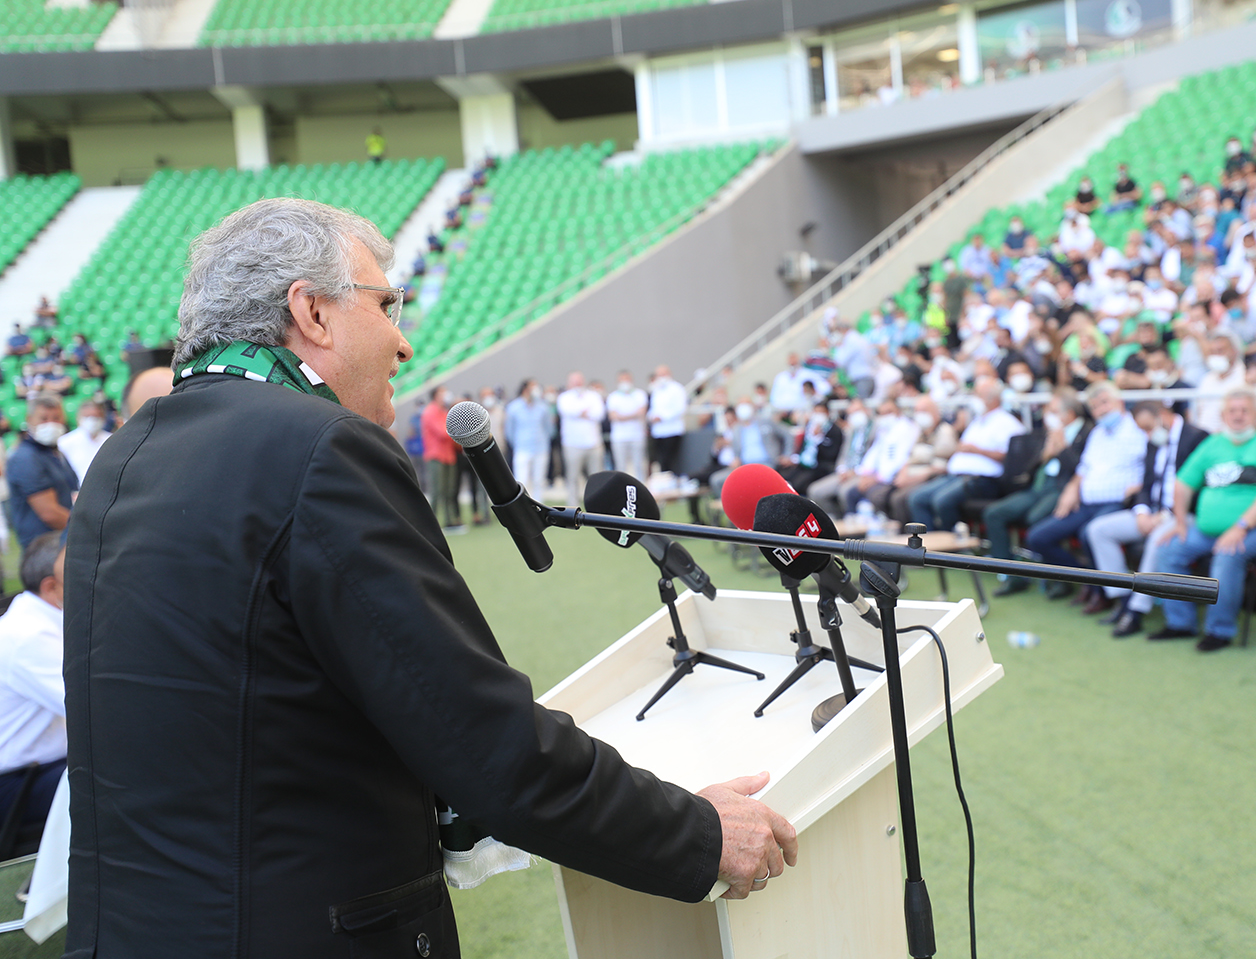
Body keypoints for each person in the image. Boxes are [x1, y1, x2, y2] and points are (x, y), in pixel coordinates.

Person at [64, 198, 796, 956]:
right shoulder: (320, 450)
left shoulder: (125, 458)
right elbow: (484, 743)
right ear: (312, 311)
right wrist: (696, 834)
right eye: (387, 304)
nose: (403, 342)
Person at [1155, 389, 1256, 651]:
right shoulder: (1214, 443)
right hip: (1214, 529)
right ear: (1223, 415)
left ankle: (1220, 630)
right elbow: (1182, 483)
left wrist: (1240, 527)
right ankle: (1180, 624)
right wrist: (1180, 523)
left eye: (1245, 410)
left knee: (1228, 553)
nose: (1238, 416)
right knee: (1169, 548)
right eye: (1232, 411)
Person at [1087, 402, 1209, 635]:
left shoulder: (1197, 437)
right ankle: (1122, 598)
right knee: (1098, 530)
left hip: (1183, 515)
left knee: (1157, 541)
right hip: (1152, 511)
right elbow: (1146, 483)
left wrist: (1164, 516)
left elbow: (1199, 488)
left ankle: (1136, 611)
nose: (1147, 434)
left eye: (1148, 427)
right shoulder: (1155, 439)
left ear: (1163, 415)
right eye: (1142, 429)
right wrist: (1142, 512)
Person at [1026, 382, 1147, 609]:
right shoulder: (1097, 433)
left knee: (1088, 534)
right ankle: (1088, 580)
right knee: (1038, 537)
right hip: (1086, 501)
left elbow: (1151, 467)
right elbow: (1083, 469)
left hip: (1119, 502)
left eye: (1104, 403)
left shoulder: (1138, 429)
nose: (1100, 410)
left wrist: (1140, 488)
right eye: (1094, 406)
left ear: (1119, 401)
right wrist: (1071, 490)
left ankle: (1107, 595)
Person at [985, 388, 1091, 596]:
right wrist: (1046, 454)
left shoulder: (1087, 432)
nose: (1047, 415)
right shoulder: (1050, 433)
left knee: (1036, 519)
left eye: (1052, 410)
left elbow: (1081, 469)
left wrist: (1062, 449)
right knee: (994, 513)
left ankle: (1061, 578)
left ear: (1069, 413)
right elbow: (1031, 469)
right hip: (1038, 488)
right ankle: (1011, 576)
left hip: (1062, 490)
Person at [0, 533, 67, 834]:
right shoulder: (30, 635)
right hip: (18, 783)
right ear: (51, 586)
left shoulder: (39, 621)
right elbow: (95, 708)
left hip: (40, 770)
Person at [907, 377, 1023, 532]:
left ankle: (949, 551)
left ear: (992, 399)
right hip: (956, 475)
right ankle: (927, 546)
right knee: (917, 498)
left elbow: (1010, 455)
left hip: (982, 480)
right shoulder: (978, 421)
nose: (975, 399)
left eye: (978, 395)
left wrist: (977, 450)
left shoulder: (1007, 423)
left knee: (941, 501)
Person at [6, 394, 77, 552]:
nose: (51, 424)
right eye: (43, 419)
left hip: (61, 541)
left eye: (56, 418)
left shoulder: (55, 453)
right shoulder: (26, 458)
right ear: (29, 419)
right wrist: (85, 529)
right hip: (43, 548)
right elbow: (49, 513)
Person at [556, 371, 605, 507]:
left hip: (594, 443)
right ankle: (572, 504)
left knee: (596, 477)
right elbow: (568, 411)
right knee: (572, 477)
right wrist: (584, 411)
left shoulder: (593, 396)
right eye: (574, 381)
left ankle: (597, 503)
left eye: (579, 381)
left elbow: (599, 413)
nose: (577, 384)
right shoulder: (564, 397)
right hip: (572, 444)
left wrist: (580, 412)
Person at [779, 401, 842, 494]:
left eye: (821, 412)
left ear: (827, 413)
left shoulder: (834, 431)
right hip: (803, 464)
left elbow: (831, 454)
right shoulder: (810, 428)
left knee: (798, 484)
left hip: (819, 467)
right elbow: (804, 448)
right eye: (816, 412)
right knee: (784, 477)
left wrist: (819, 438)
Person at [420, 385, 461, 529]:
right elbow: (443, 432)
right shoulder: (430, 412)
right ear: (436, 395)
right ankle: (431, 523)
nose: (446, 394)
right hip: (436, 456)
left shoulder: (444, 411)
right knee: (437, 491)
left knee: (449, 491)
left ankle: (450, 520)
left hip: (449, 456)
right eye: (442, 392)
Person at [505, 379, 553, 498]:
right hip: (522, 448)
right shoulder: (514, 407)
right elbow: (509, 430)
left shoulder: (543, 407)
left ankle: (538, 508)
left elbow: (549, 428)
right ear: (525, 389)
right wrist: (517, 443)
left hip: (541, 448)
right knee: (521, 481)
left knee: (539, 481)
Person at [1192, 333, 1247, 434]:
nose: (1216, 355)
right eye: (1212, 352)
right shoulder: (1206, 379)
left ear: (1234, 351)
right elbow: (1198, 410)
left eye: (1220, 351)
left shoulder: (1245, 378)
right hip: (1204, 436)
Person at [606, 370, 648, 481]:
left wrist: (623, 416)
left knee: (639, 465)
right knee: (621, 467)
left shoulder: (639, 394)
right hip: (619, 437)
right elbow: (613, 416)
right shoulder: (613, 397)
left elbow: (642, 412)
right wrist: (633, 415)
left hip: (637, 436)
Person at [57, 398, 112, 482]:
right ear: (79, 417)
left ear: (103, 418)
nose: (92, 420)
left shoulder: (111, 440)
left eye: (95, 417)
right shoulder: (65, 442)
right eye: (87, 417)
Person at [648, 365, 688, 475]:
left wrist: (662, 417)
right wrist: (652, 417)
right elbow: (653, 408)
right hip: (658, 432)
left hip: (672, 430)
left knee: (671, 460)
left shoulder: (677, 389)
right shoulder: (656, 390)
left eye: (663, 374)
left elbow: (680, 408)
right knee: (660, 461)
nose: (661, 377)